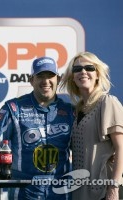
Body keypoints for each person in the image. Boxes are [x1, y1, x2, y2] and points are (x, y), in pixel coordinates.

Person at [0, 56, 75, 199]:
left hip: (60, 192)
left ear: (59, 79)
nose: (46, 81)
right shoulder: (14, 108)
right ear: (31, 80)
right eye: (40, 76)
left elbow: (83, 149)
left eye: (50, 76)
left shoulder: (70, 111)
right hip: (24, 191)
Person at [60, 51, 123, 200]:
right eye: (77, 69)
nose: (83, 72)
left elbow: (121, 148)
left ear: (97, 74)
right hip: (80, 191)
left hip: (103, 191)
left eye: (89, 68)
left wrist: (114, 188)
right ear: (72, 77)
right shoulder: (76, 110)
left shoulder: (108, 102)